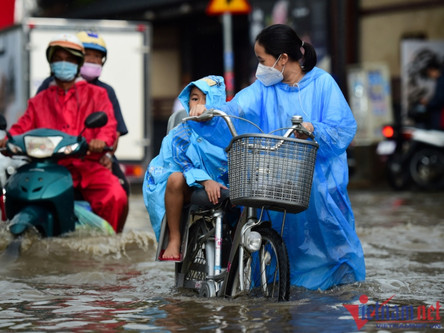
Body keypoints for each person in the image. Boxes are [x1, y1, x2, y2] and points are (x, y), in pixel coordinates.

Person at [188, 24, 365, 290]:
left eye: (262, 60)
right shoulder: (262, 89)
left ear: (283, 58)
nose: (260, 67)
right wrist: (207, 111)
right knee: (275, 241)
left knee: (335, 252)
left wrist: (314, 129)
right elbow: (234, 109)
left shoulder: (323, 84)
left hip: (320, 188)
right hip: (275, 182)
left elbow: (343, 129)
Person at [0, 33, 127, 233]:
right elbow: (22, 127)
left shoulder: (98, 95)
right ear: (50, 63)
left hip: (87, 166)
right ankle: (10, 233)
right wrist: (7, 140)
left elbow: (108, 128)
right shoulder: (39, 100)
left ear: (77, 64)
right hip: (47, 168)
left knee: (115, 196)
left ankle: (109, 246)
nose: (63, 64)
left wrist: (100, 141)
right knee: (8, 195)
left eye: (69, 60)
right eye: (58, 59)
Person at [37, 31, 130, 232]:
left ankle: (113, 236)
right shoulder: (48, 89)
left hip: (92, 158)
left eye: (98, 57)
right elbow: (30, 124)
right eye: (89, 55)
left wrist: (106, 151)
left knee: (119, 190)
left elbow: (112, 130)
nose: (93, 60)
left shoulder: (103, 92)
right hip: (54, 160)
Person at [143, 75, 228, 260]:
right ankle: (174, 238)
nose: (200, 105)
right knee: (175, 178)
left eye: (206, 99)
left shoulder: (229, 128)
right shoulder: (181, 132)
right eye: (195, 98)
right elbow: (180, 163)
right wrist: (206, 181)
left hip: (223, 186)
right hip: (187, 186)